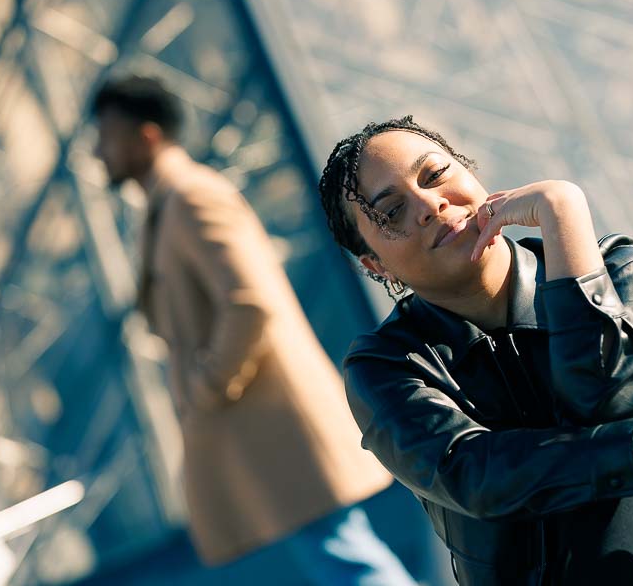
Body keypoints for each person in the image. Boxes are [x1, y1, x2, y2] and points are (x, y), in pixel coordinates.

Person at [317, 116, 633, 585]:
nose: (430, 206)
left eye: (435, 175)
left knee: (629, 478)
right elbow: (475, 474)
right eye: (392, 211)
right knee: (616, 475)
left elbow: (609, 395)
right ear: (375, 265)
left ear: (471, 173)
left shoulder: (620, 266)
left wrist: (563, 213)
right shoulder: (384, 368)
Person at [91, 76, 417, 585]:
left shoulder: (191, 198)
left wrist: (207, 387)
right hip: (263, 434)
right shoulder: (169, 205)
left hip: (273, 431)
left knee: (346, 560)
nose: (97, 150)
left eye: (107, 135)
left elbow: (250, 304)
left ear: (147, 136)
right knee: (340, 556)